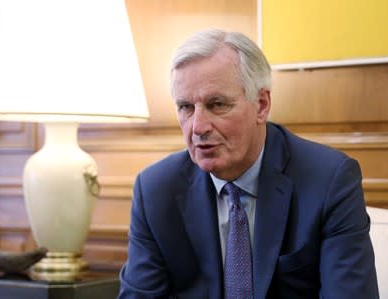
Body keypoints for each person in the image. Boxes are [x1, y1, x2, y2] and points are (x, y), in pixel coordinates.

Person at [118, 29, 379, 299]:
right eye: (185, 107)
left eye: (217, 104)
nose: (198, 127)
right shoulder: (155, 190)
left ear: (262, 105)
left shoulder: (328, 180)